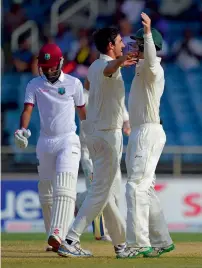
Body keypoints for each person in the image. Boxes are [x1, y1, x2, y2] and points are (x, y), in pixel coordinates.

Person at [57, 27, 137, 258]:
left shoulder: (92, 67)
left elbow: (96, 86)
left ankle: (121, 246)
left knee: (107, 192)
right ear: (111, 45)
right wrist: (121, 60)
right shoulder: (104, 66)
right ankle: (70, 239)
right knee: (101, 192)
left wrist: (121, 61)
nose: (123, 44)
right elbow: (110, 68)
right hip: (108, 136)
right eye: (120, 41)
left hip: (96, 135)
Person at [14, 43, 86, 252]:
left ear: (60, 63)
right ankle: (54, 239)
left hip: (68, 140)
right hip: (45, 142)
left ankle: (58, 233)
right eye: (44, 67)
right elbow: (27, 109)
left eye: (51, 67)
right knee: (46, 192)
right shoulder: (34, 84)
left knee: (64, 187)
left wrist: (91, 136)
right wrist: (22, 130)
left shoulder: (74, 84)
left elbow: (83, 114)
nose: (47, 71)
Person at [122, 12, 175, 258]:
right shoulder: (141, 68)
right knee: (146, 189)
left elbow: (151, 59)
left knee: (135, 188)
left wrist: (147, 32)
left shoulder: (153, 68)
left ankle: (139, 243)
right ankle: (161, 241)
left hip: (148, 131)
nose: (134, 47)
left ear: (147, 46)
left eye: (138, 44)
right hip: (139, 131)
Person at [77, 88, 131, 242]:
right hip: (90, 150)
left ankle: (79, 201)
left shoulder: (114, 93)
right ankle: (100, 232)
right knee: (97, 189)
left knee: (114, 192)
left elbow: (125, 117)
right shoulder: (85, 95)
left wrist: (126, 125)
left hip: (111, 150)